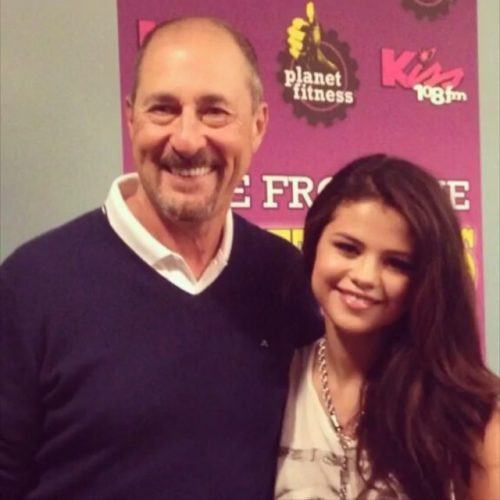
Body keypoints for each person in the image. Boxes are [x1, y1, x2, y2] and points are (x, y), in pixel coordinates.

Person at [0, 17, 321, 500]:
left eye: (215, 112)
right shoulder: (30, 285)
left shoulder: (285, 277)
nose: (187, 139)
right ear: (131, 118)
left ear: (257, 126)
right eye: (163, 109)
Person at [275, 154, 500, 499]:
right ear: (314, 244)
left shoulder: (472, 411)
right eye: (348, 248)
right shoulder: (270, 381)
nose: (365, 277)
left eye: (397, 263)